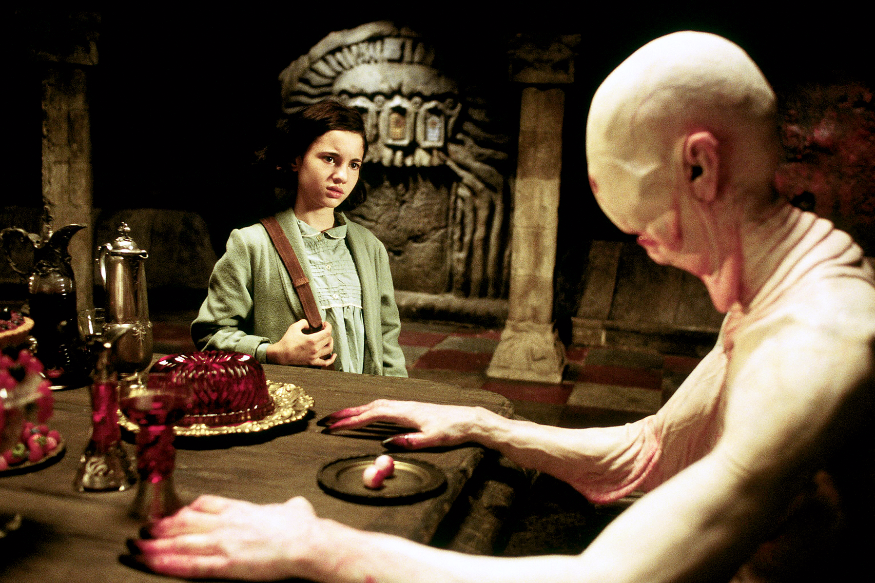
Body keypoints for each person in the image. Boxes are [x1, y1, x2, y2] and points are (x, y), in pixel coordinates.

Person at [131, 32, 874, 582]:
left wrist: (322, 548)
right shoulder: (768, 299)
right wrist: (482, 423)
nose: (635, 237)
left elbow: (609, 578)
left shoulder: (816, 343)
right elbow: (649, 452)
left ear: (700, 165)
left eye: (630, 197)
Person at [191, 101, 407, 376]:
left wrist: (397, 395)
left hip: (363, 398)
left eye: (354, 164)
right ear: (296, 160)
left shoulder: (370, 248)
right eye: (329, 159)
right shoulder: (252, 244)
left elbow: (388, 343)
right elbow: (210, 335)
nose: (342, 175)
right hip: (290, 396)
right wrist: (272, 352)